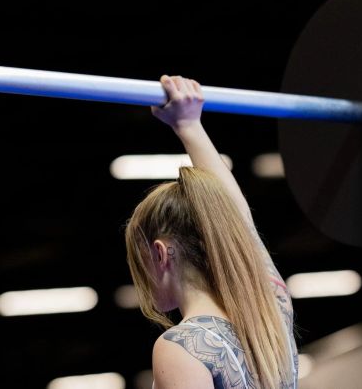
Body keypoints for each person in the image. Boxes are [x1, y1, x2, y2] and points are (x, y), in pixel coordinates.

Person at [125, 75, 299, 389]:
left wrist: (188, 125)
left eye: (138, 260)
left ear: (161, 253)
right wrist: (189, 125)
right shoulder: (273, 309)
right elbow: (237, 222)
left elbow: (235, 221)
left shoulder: (183, 346)